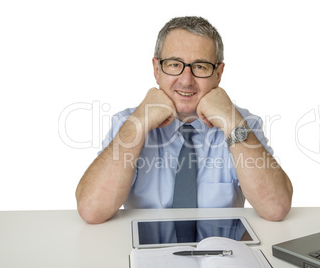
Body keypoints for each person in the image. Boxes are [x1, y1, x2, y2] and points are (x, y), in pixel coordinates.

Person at [76, 16, 293, 224]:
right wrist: (140, 122)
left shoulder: (243, 123)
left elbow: (276, 208)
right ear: (156, 69)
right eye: (174, 64)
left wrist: (230, 119)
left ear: (218, 74)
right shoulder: (127, 123)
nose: (186, 80)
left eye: (200, 66)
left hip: (221, 254)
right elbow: (92, 210)